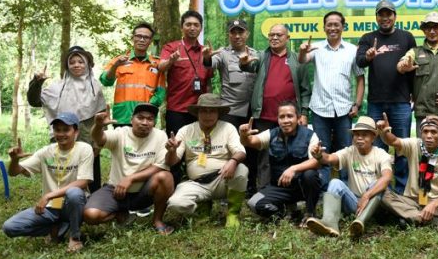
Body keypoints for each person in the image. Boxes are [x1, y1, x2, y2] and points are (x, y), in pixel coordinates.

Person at [2, 112, 93, 253]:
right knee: (9, 227)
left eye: (66, 129)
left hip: (73, 204)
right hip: (51, 208)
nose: (61, 134)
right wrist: (15, 160)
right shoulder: (46, 152)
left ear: (76, 131)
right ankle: (55, 228)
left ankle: (75, 237)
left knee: (74, 193)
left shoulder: (84, 149)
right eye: (57, 129)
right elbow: (14, 172)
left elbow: (82, 182)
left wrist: (49, 196)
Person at [83, 104, 175, 235]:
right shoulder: (121, 133)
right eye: (140, 118)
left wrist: (131, 178)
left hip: (143, 192)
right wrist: (98, 126)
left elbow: (160, 166)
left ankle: (157, 220)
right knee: (90, 215)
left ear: (154, 122)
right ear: (132, 119)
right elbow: (100, 139)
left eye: (150, 119)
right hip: (116, 190)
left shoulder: (160, 135)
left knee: (166, 177)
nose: (145, 122)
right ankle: (119, 214)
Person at [356, 0, 417, 194]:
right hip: (376, 103)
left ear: (394, 16)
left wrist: (414, 94)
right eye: (381, 14)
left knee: (401, 147)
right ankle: (377, 192)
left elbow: (414, 69)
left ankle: (401, 192)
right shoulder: (367, 38)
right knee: (377, 149)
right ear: (376, 17)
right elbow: (360, 61)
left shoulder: (407, 37)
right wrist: (368, 56)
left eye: (388, 14)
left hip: (401, 103)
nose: (385, 18)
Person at [28, 45, 107, 192]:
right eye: (72, 62)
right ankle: (61, 203)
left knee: (91, 175)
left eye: (80, 61)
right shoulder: (57, 87)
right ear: (67, 66)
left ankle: (93, 206)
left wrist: (98, 144)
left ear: (87, 64)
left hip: (88, 140)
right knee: (63, 173)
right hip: (64, 137)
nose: (76, 65)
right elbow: (34, 101)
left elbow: (102, 116)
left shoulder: (95, 86)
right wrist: (37, 83)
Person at [298, 11, 364, 185]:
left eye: (336, 24)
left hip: (344, 110)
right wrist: (302, 51)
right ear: (324, 27)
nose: (333, 28)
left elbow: (360, 79)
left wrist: (357, 104)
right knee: (321, 151)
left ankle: (345, 189)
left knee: (345, 152)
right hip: (320, 109)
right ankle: (323, 190)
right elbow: (303, 60)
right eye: (329, 24)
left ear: (343, 27)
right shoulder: (316, 48)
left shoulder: (352, 50)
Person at [165, 94, 249, 227]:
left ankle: (233, 213)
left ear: (218, 113)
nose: (207, 115)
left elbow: (240, 152)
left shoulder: (228, 128)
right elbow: (172, 162)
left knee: (242, 170)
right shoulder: (186, 130)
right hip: (197, 183)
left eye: (212, 111)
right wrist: (171, 151)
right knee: (176, 203)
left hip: (222, 178)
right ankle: (202, 208)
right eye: (203, 110)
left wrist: (233, 161)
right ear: (197, 113)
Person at [248, 23, 311, 194]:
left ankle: (290, 193)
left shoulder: (297, 60)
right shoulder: (261, 56)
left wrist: (304, 113)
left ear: (287, 38)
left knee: (290, 154)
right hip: (264, 115)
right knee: (264, 157)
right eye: (271, 35)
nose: (274, 38)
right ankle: (263, 192)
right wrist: (244, 63)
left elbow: (305, 89)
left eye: (279, 35)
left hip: (289, 119)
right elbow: (248, 65)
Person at [306, 116, 392, 238]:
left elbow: (387, 178)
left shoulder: (381, 154)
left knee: (378, 183)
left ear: (374, 137)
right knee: (335, 182)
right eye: (356, 135)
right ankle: (330, 222)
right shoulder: (350, 151)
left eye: (364, 135)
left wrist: (367, 196)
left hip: (374, 204)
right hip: (354, 203)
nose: (360, 138)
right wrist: (319, 155)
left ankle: (360, 222)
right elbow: (329, 158)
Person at [378, 114, 438, 229]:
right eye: (425, 131)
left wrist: (434, 204)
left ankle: (410, 218)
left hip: (436, 201)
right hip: (411, 199)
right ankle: (437, 221)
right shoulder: (414, 145)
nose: (429, 136)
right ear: (421, 133)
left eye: (433, 132)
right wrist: (385, 132)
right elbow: (394, 141)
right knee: (383, 194)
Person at [241, 101, 321, 225]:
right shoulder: (272, 134)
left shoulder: (310, 135)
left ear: (298, 118)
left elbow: (316, 162)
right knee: (253, 203)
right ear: (277, 119)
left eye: (289, 116)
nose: (285, 120)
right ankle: (285, 213)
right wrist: (244, 135)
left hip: (302, 187)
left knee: (310, 174)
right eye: (281, 117)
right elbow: (250, 141)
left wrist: (293, 169)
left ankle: (310, 213)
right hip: (279, 188)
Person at [397, 11, 438, 151]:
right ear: (423, 30)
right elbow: (402, 64)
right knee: (425, 155)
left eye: (436, 27)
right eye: (428, 27)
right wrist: (403, 65)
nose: (432, 31)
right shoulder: (415, 52)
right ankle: (426, 174)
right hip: (424, 114)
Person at [158, 10, 213, 138]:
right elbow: (161, 67)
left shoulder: (205, 51)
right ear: (181, 27)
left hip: (200, 110)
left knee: (199, 148)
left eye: (196, 25)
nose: (192, 28)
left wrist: (209, 106)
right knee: (176, 147)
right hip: (177, 109)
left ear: (201, 28)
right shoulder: (171, 47)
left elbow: (208, 82)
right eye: (188, 24)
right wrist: (171, 60)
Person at [99, 22, 166, 127]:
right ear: (132, 38)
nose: (142, 39)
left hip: (146, 119)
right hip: (123, 116)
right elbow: (105, 81)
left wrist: (149, 106)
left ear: (151, 41)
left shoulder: (156, 64)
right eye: (139, 36)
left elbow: (161, 91)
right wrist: (115, 66)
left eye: (146, 37)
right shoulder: (119, 60)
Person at [202, 19, 259, 128]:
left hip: (252, 111)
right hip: (231, 111)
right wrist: (207, 57)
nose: (237, 36)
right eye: (233, 33)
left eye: (241, 32)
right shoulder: (222, 54)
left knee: (250, 144)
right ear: (228, 35)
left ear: (247, 34)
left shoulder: (255, 54)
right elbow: (210, 64)